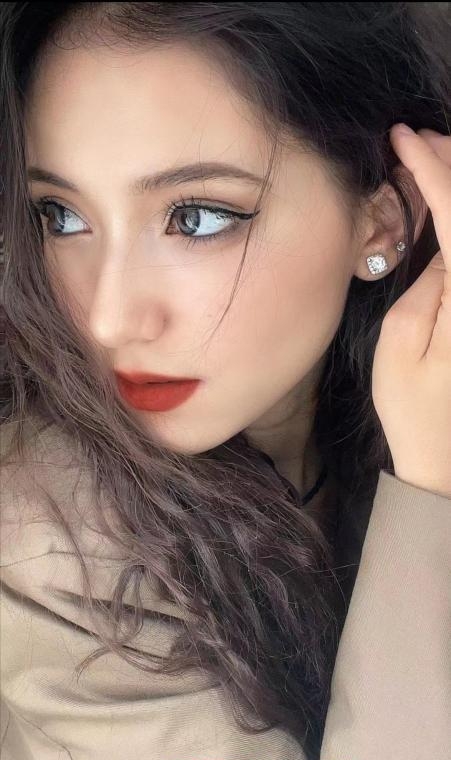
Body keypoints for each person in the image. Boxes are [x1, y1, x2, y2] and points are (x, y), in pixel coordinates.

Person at [1, 3, 450, 759]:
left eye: (197, 218)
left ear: (381, 221)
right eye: (62, 217)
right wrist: (432, 488)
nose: (108, 319)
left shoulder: (393, 403)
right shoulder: (53, 546)